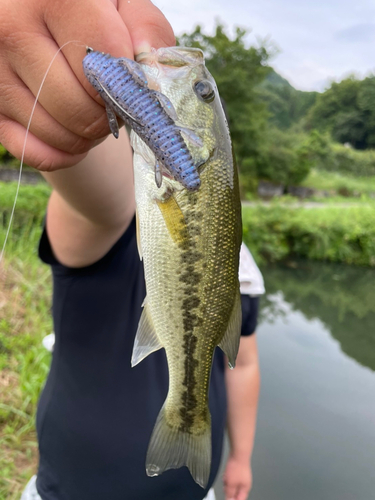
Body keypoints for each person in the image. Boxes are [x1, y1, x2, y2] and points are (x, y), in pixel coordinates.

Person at [0, 1, 261, 499]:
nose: (196, 81)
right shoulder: (113, 216)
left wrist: (242, 459)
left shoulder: (233, 256)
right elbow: (94, 189)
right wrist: (55, 69)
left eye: (201, 92)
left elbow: (243, 360)